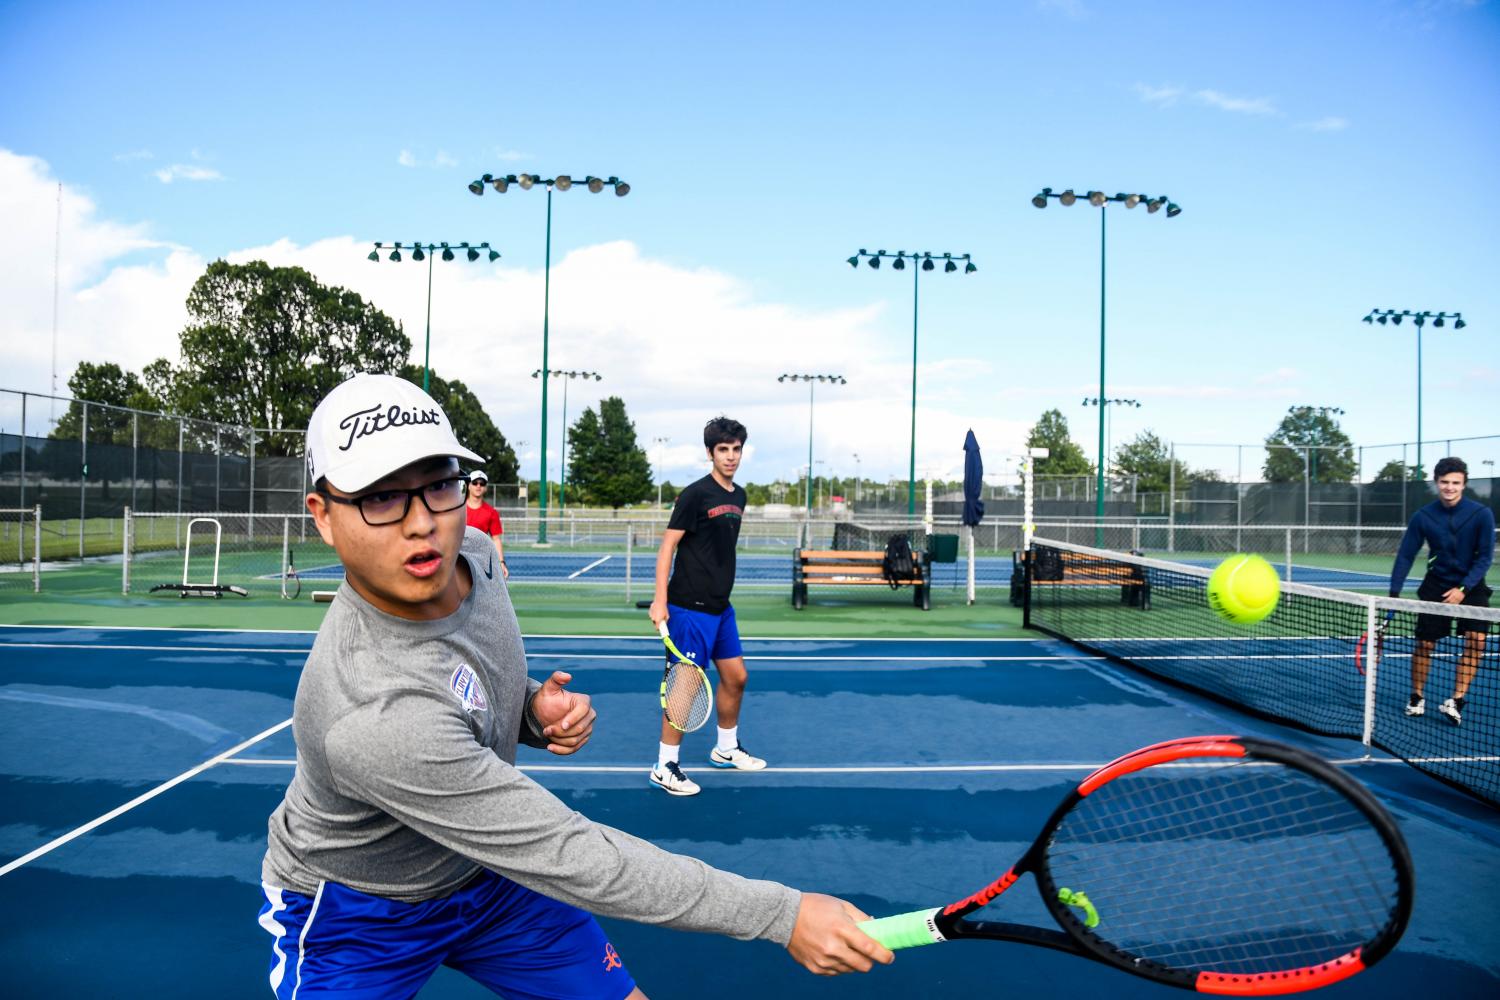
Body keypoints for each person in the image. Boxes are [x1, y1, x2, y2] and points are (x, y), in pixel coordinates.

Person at [258, 375, 890, 999]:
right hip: (361, 915)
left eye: (439, 484)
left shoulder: (473, 551)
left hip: (485, 875)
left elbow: (463, 676)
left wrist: (530, 709)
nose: (422, 522)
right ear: (324, 516)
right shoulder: (374, 715)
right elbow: (571, 854)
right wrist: (781, 915)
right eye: (380, 497)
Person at [647, 417, 762, 797]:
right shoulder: (694, 495)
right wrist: (660, 600)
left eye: (736, 449)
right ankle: (664, 765)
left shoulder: (739, 496)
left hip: (720, 608)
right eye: (723, 450)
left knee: (736, 677)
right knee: (686, 688)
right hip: (688, 607)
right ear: (711, 452)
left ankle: (726, 748)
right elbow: (668, 547)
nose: (731, 456)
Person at [1390, 456, 1494, 726]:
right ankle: (1416, 696)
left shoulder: (1481, 514)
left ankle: (1456, 700)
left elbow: (1484, 557)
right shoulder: (1423, 517)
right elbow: (1405, 555)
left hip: (1471, 586)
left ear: (1464, 484)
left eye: (1455, 483)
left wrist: (1463, 588)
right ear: (1436, 483)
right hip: (1435, 585)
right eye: (1445, 482)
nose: (1450, 487)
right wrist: (1393, 593)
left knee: (1477, 641)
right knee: (1425, 644)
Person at [465, 468, 508, 580]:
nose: (478, 486)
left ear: (485, 488)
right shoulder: (457, 509)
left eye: (482, 483)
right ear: (469, 486)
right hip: (459, 558)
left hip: (480, 560)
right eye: (475, 483)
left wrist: (501, 563)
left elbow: (496, 539)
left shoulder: (492, 513)